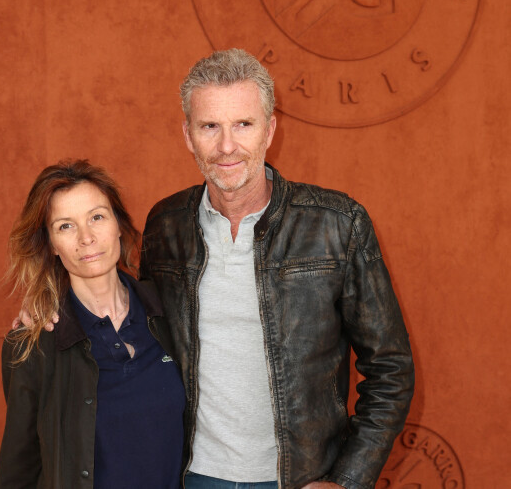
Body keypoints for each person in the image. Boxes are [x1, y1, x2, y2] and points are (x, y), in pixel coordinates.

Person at [139, 49, 415, 489]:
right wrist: (52, 313)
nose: (226, 146)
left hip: (300, 479)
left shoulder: (338, 224)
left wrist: (346, 481)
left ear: (269, 130)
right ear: (188, 135)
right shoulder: (165, 225)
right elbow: (135, 325)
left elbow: (391, 370)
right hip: (191, 476)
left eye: (243, 125)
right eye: (210, 126)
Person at [0, 160, 185, 489]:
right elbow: (20, 468)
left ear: (118, 224)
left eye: (97, 217)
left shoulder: (172, 312)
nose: (86, 238)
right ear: (51, 244)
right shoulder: (33, 347)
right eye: (65, 226)